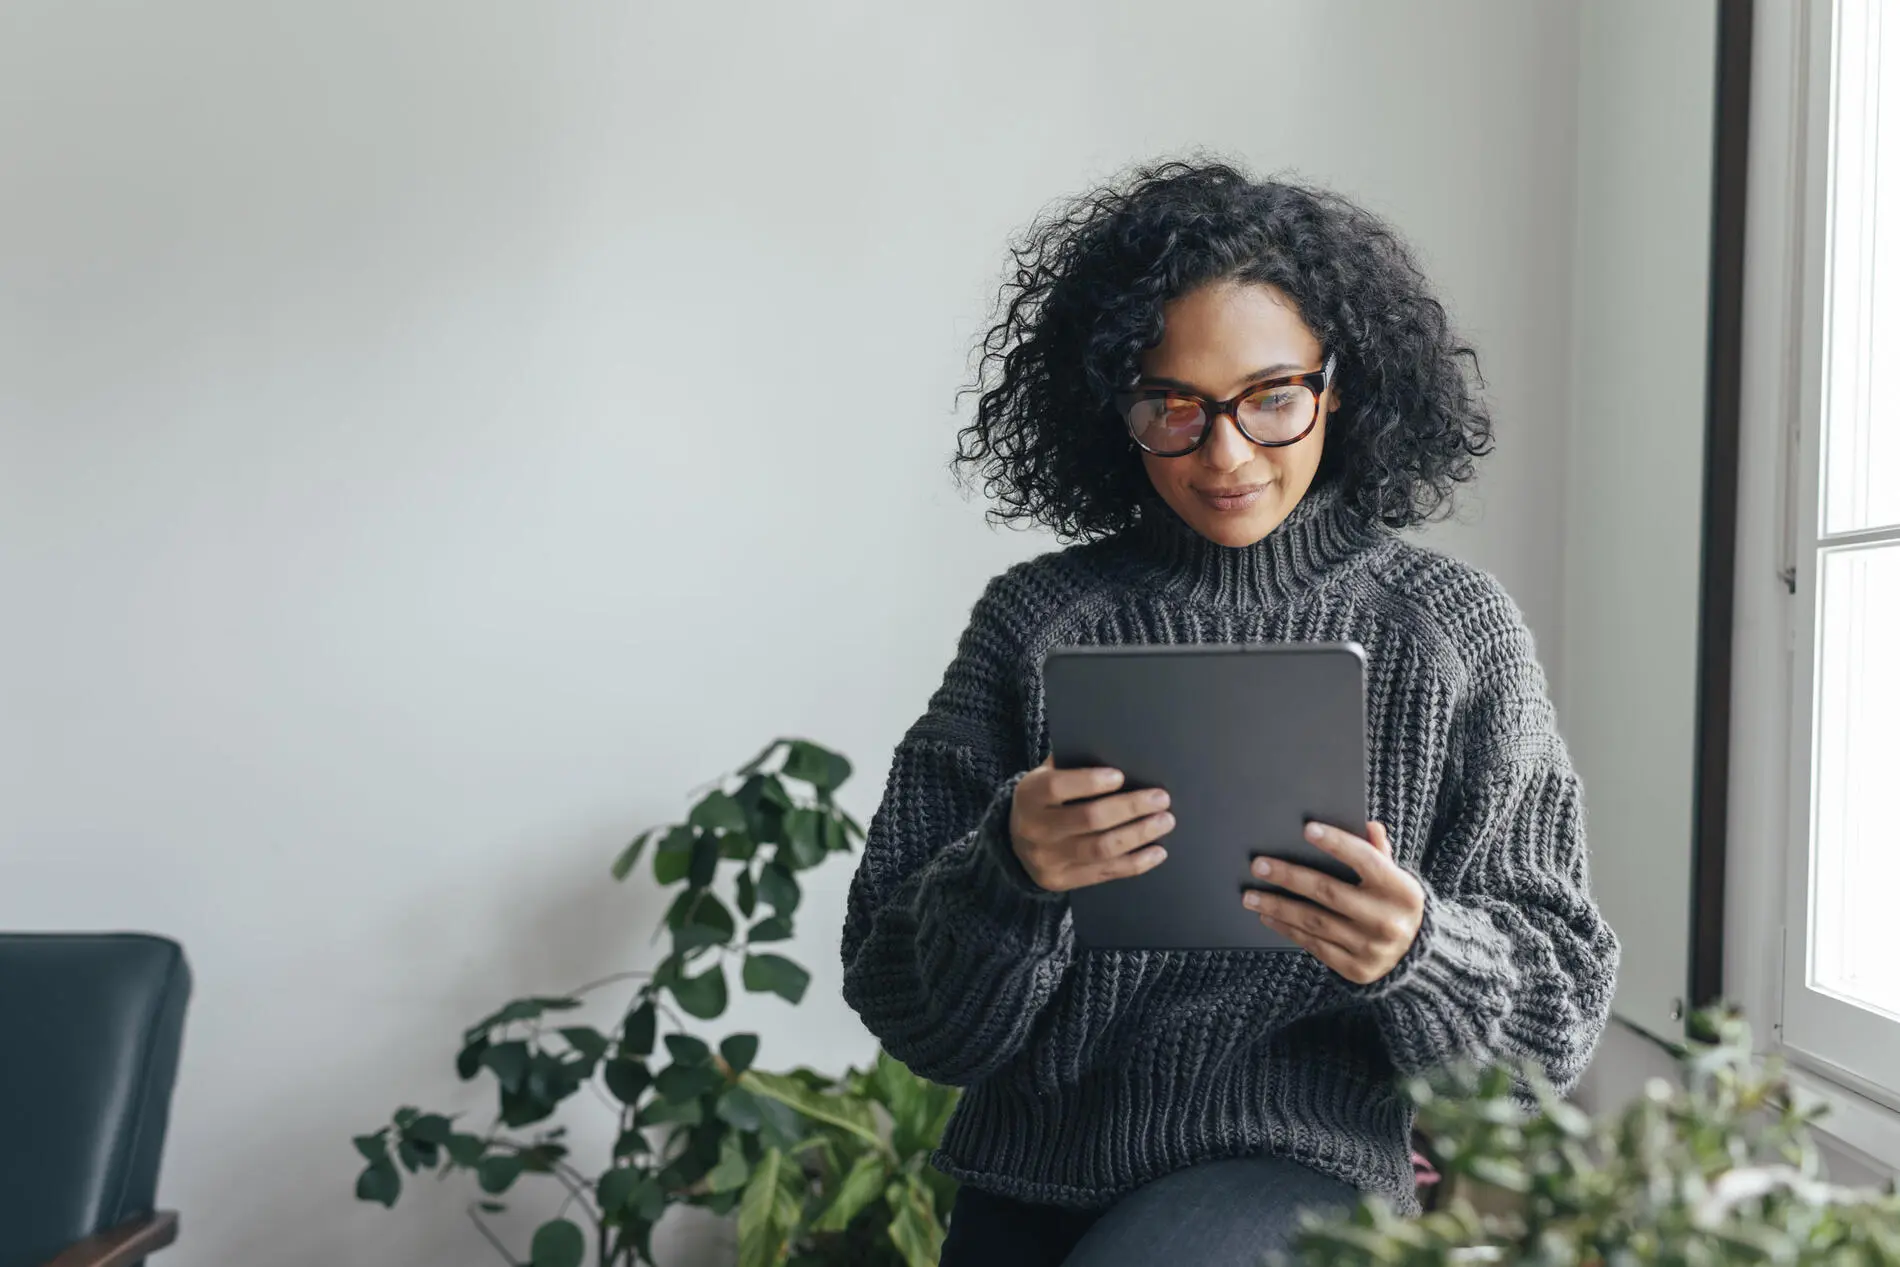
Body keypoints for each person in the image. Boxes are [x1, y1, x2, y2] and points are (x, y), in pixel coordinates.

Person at [839, 158, 1620, 1267]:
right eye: (1173, 405)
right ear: (1114, 405)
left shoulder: (1451, 632)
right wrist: (1009, 871)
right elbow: (909, 1008)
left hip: (1298, 1168)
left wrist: (1419, 950)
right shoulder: (1035, 624)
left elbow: (1555, 1026)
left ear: (1336, 385)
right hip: (1030, 1169)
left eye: (1270, 397)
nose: (1226, 453)